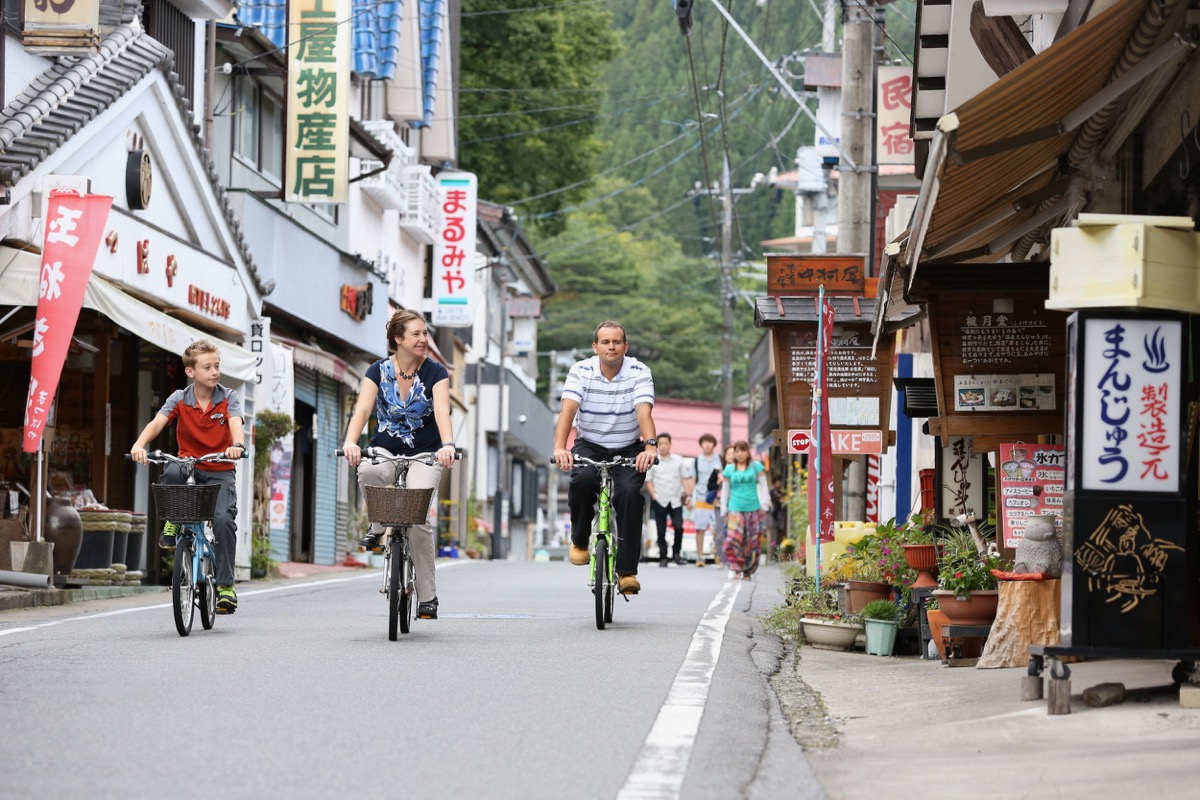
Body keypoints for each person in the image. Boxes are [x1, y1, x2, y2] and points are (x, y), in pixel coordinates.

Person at [341, 309, 457, 620]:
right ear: (398, 339)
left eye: (425, 333)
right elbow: (363, 410)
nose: (423, 339)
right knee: (366, 469)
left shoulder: (436, 372)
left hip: (426, 454)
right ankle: (378, 525)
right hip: (385, 450)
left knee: (417, 516)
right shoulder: (377, 371)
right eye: (417, 334)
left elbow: (443, 412)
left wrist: (447, 445)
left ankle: (428, 597)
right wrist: (352, 442)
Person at [130, 339, 246, 614]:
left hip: (220, 471)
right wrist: (139, 445)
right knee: (170, 469)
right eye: (208, 367)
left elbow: (235, 425)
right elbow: (158, 422)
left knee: (223, 521)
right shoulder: (180, 398)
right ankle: (173, 521)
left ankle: (226, 587)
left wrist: (237, 446)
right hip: (189, 465)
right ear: (191, 372)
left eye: (217, 366)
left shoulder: (229, 397)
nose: (215, 371)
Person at [552, 320, 657, 595]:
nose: (611, 346)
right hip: (591, 444)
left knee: (629, 494)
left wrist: (650, 446)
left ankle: (627, 572)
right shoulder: (581, 370)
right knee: (583, 480)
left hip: (628, 447)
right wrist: (560, 447)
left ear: (626, 346)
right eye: (606, 342)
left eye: (617, 342)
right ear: (595, 346)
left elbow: (644, 411)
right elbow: (568, 411)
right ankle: (579, 540)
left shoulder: (639, 371)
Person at [722, 440, 770, 580]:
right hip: (735, 508)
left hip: (753, 508)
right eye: (737, 451)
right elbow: (725, 491)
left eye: (743, 450)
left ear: (748, 451)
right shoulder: (729, 469)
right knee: (733, 539)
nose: (740, 454)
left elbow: (764, 486)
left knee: (752, 541)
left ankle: (748, 571)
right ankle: (736, 568)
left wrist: (764, 505)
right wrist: (723, 509)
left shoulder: (756, 467)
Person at [645, 433, 694, 567]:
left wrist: (688, 494)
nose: (663, 446)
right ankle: (663, 556)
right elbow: (648, 481)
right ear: (657, 446)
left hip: (676, 499)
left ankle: (676, 554)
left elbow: (684, 478)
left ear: (670, 444)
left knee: (679, 526)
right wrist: (654, 495)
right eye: (660, 444)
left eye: (666, 443)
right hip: (659, 498)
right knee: (661, 529)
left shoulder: (679, 460)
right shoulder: (653, 461)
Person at [690, 433, 723, 567]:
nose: (708, 445)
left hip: (716, 499)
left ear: (714, 444)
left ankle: (718, 554)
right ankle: (700, 556)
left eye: (710, 442)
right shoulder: (696, 460)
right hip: (700, 497)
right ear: (701, 444)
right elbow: (692, 479)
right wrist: (689, 496)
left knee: (717, 528)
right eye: (705, 442)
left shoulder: (719, 459)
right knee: (700, 529)